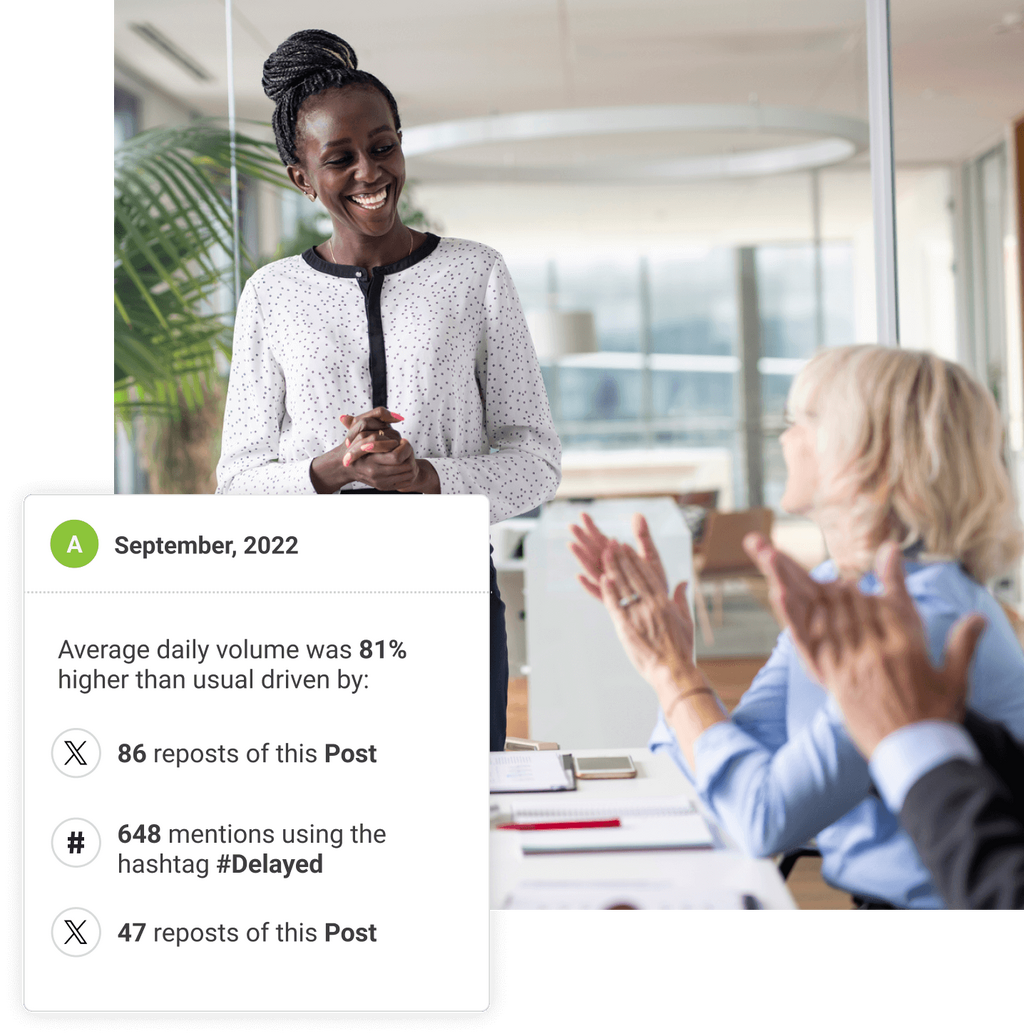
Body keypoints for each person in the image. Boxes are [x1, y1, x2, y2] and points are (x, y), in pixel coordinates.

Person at [571, 345, 1024, 910]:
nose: (783, 439)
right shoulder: (838, 588)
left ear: (870, 455)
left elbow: (761, 817)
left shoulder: (922, 621)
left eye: (801, 421)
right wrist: (673, 667)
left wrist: (674, 674)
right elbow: (722, 770)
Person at [215, 30, 561, 750]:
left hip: (450, 590)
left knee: (465, 792)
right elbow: (236, 485)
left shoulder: (475, 274)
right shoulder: (270, 295)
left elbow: (536, 462)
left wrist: (427, 477)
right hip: (313, 606)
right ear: (301, 177)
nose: (369, 172)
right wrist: (334, 469)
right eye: (339, 158)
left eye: (383, 147)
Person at [745, 533, 1024, 912]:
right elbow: (749, 761)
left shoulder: (931, 610)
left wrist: (678, 681)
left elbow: (761, 818)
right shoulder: (838, 586)